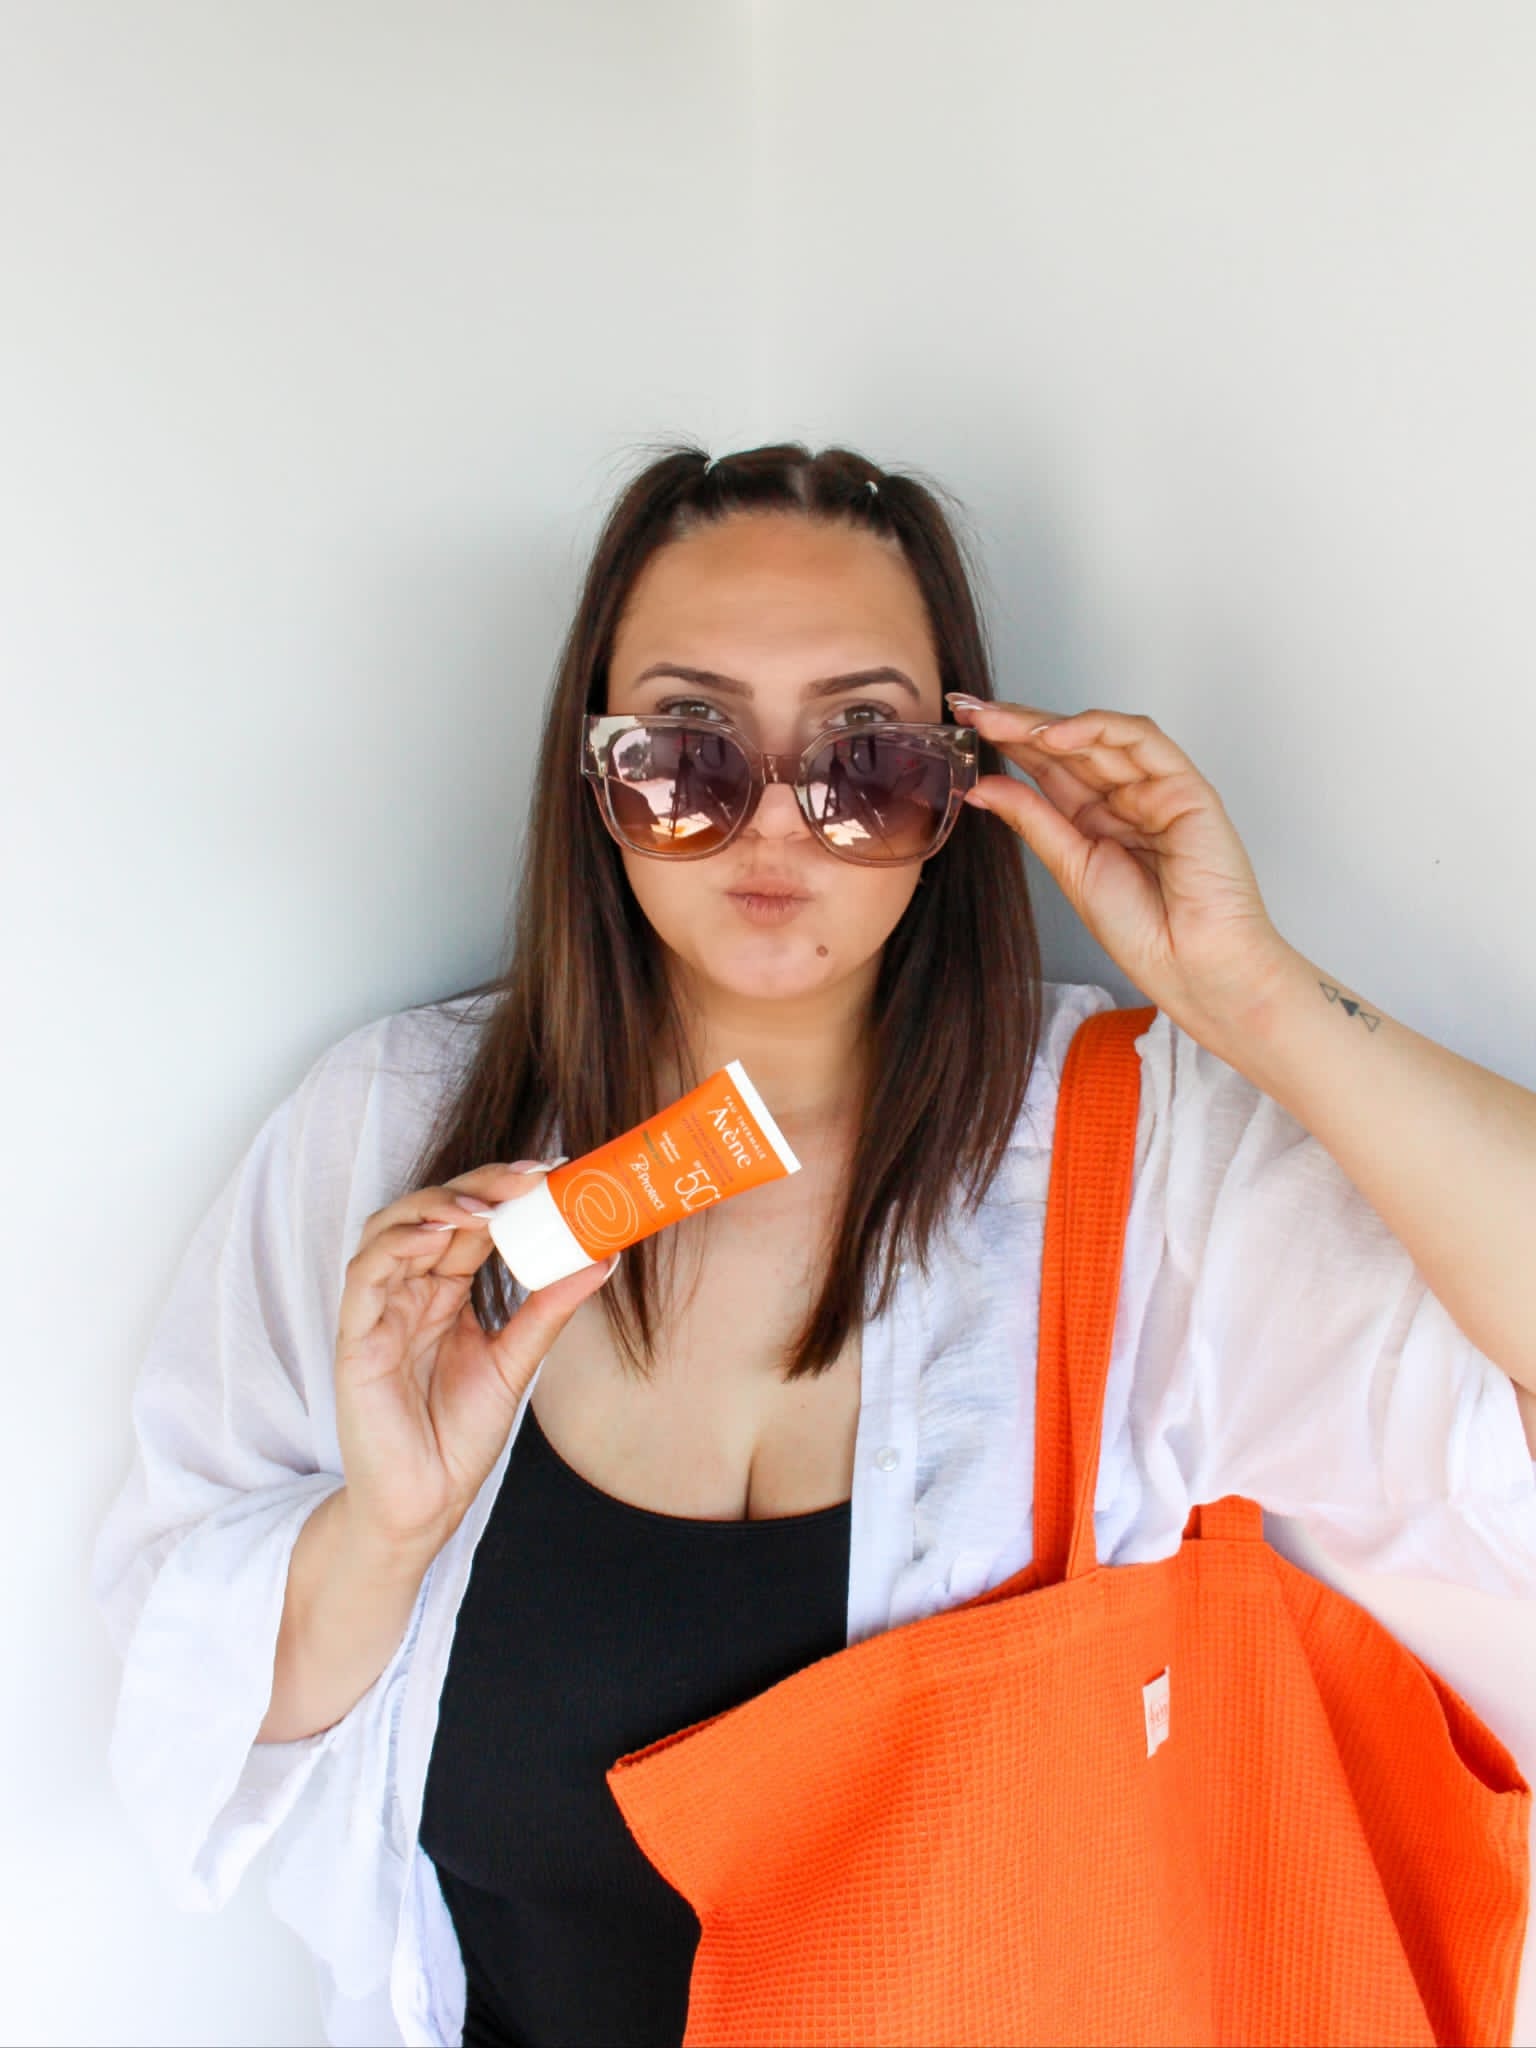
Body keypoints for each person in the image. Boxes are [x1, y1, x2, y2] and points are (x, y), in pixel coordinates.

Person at [93, 442, 1536, 2048]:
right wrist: (385, 1534)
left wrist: (1255, 995)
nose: (774, 820)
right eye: (687, 753)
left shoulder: (1135, 1155)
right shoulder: (387, 1139)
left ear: (959, 786)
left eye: (865, 759)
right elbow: (189, 1714)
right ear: (592, 777)